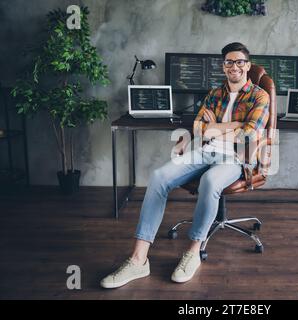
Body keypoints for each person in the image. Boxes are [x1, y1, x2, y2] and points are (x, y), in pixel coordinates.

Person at [100, 42, 270, 288]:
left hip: (235, 157)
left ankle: (193, 252)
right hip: (205, 150)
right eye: (229, 62)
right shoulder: (214, 94)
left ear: (248, 65)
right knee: (159, 176)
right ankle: (138, 260)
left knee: (210, 181)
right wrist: (231, 126)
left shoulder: (259, 96)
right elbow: (199, 129)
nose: (235, 66)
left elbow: (248, 134)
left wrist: (219, 129)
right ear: (224, 66)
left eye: (240, 62)